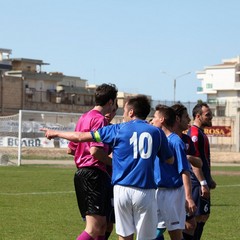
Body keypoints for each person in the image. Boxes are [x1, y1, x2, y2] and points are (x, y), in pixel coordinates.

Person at [41, 95, 174, 240]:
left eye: (124, 110)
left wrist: (56, 133)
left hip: (121, 190)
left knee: (124, 235)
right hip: (145, 191)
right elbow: (169, 159)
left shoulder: (117, 129)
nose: (122, 114)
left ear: (131, 112)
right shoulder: (156, 132)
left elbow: (80, 137)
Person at [65, 83, 118, 240]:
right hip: (93, 174)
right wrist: (115, 163)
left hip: (86, 173)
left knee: (102, 226)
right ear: (110, 102)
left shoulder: (83, 118)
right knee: (95, 228)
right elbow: (95, 151)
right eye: (115, 103)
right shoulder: (100, 120)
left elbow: (71, 149)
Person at [151, 104, 196, 240]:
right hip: (156, 191)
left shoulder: (176, 142)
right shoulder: (156, 139)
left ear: (162, 119)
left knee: (175, 233)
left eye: (154, 117)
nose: (152, 120)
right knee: (153, 231)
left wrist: (188, 197)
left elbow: (184, 171)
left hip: (173, 193)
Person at [171, 103, 202, 240]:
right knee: (159, 228)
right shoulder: (165, 138)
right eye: (186, 116)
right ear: (177, 119)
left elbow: (199, 163)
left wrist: (187, 157)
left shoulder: (186, 140)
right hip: (166, 189)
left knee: (190, 225)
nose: (189, 119)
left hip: (182, 189)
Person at [187, 103, 217, 240]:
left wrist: (208, 179)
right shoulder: (194, 133)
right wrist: (203, 182)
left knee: (203, 216)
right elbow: (194, 161)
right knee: (194, 220)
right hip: (195, 183)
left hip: (201, 181)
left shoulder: (201, 133)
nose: (211, 117)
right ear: (198, 116)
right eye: (207, 114)